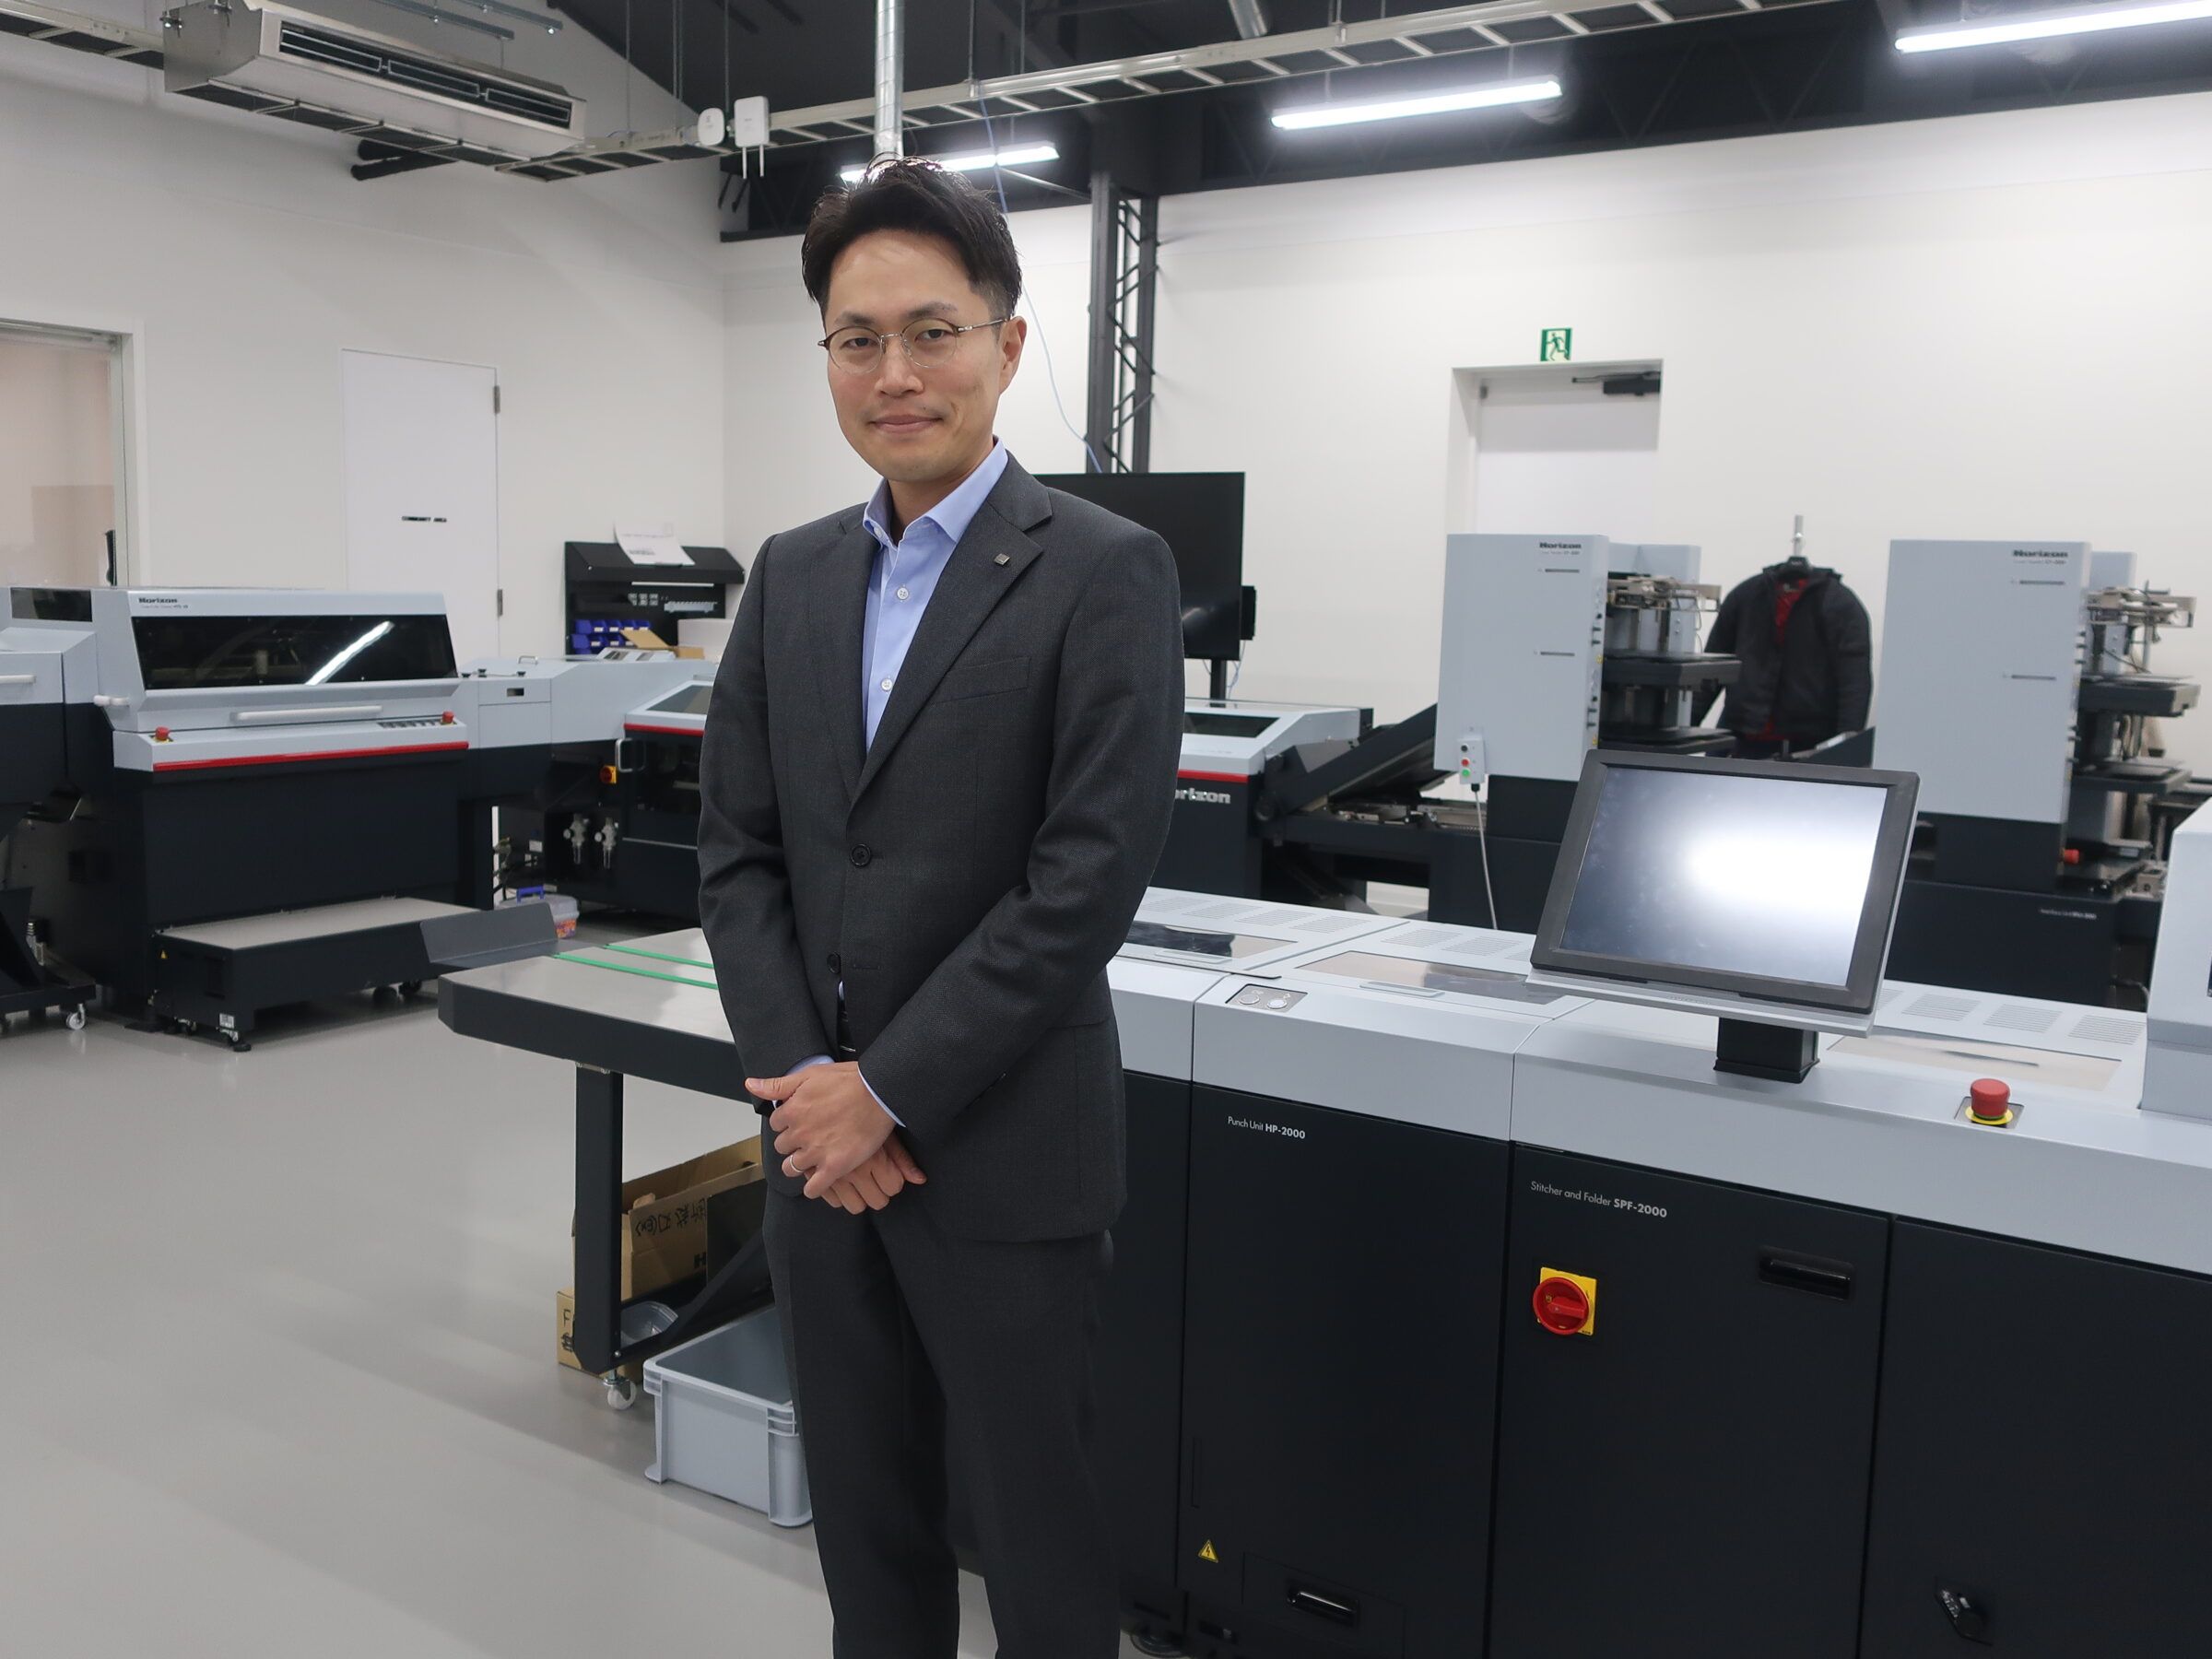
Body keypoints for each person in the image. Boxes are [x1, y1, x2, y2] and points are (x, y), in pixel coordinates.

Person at [696, 157, 1184, 1659]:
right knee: (868, 1530)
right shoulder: (789, 578)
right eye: (859, 340)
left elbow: (1084, 880)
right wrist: (809, 1092)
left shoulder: (1104, 571)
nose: (895, 374)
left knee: (1039, 1538)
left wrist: (886, 1092)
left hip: (1006, 1152)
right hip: (820, 1158)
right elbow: (739, 854)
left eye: (933, 332)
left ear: (1007, 346)